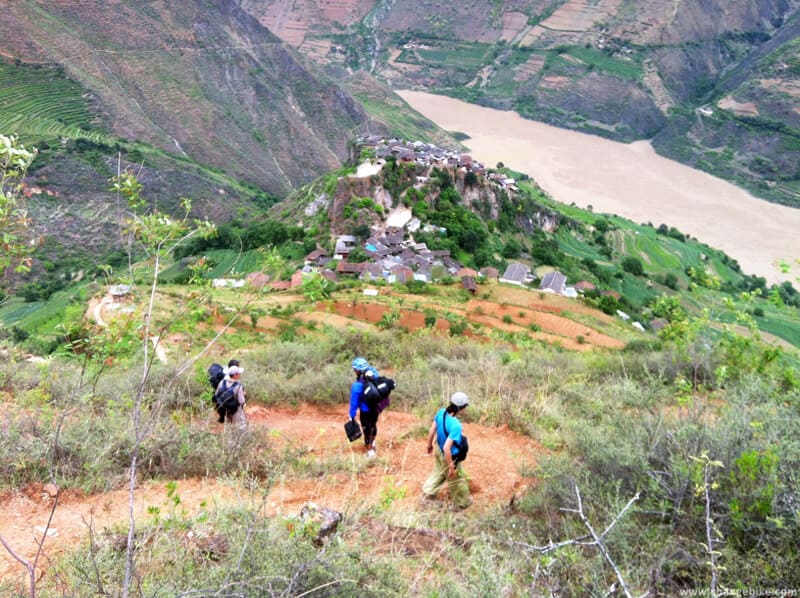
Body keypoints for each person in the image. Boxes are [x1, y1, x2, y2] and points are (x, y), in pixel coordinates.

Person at [422, 391, 471, 509]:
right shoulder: (456, 425)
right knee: (455, 480)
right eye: (464, 407)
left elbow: (432, 430)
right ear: (461, 408)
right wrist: (451, 466)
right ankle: (461, 503)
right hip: (448, 456)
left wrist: (429, 446)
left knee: (439, 471)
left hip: (438, 449)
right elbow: (447, 448)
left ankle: (428, 492)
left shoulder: (441, 412)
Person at [348, 356, 379, 458]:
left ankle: (370, 451)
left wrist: (351, 416)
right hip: (376, 408)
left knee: (366, 429)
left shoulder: (357, 386)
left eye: (354, 369)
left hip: (365, 411)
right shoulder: (375, 377)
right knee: (373, 425)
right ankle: (373, 442)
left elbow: (354, 403)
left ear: (357, 371)